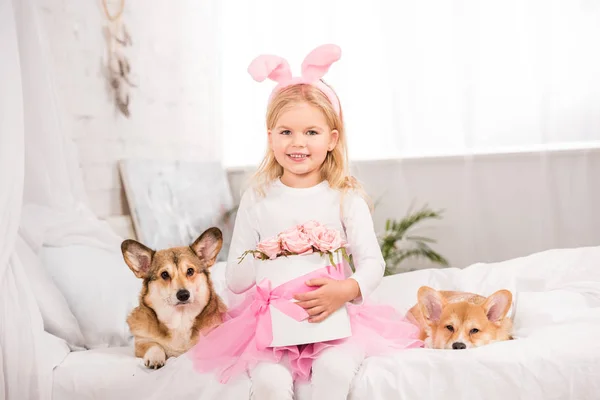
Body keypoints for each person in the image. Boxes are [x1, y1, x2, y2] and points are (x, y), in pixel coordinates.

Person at [189, 44, 423, 400]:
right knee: (268, 382)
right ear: (270, 137)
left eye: (311, 132)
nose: (298, 143)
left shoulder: (345, 196)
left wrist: (347, 289)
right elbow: (237, 280)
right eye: (286, 132)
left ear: (332, 139)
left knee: (333, 370)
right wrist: (261, 253)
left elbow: (373, 262)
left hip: (335, 318)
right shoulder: (258, 197)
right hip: (273, 322)